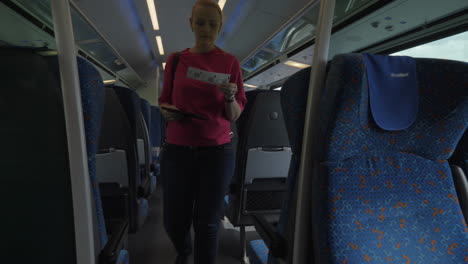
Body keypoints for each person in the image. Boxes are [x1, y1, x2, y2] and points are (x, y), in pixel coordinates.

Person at [158, 0, 247, 263]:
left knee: (207, 223)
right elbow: (163, 100)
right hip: (177, 150)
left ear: (220, 27)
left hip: (217, 152)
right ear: (191, 24)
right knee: (174, 220)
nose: (206, 29)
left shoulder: (230, 63)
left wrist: (230, 98)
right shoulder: (175, 61)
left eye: (212, 24)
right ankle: (183, 251)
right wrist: (167, 111)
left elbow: (235, 115)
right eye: (200, 22)